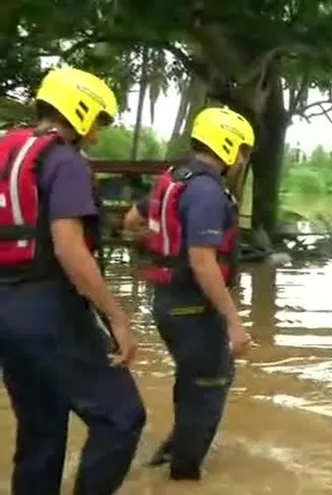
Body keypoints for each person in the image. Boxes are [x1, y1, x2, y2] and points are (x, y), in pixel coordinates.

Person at [0, 67, 145, 494]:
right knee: (122, 416)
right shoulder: (64, 161)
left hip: (6, 311)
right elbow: (69, 248)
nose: (98, 130)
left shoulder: (6, 147)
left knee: (41, 426)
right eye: (99, 119)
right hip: (47, 307)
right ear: (80, 109)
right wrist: (117, 318)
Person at [122, 106, 254, 481]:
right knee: (210, 386)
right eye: (242, 150)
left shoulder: (174, 179)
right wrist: (234, 323)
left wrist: (160, 245)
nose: (243, 160)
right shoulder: (208, 191)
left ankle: (168, 453)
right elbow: (203, 262)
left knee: (197, 378)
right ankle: (183, 477)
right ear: (227, 145)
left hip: (166, 302)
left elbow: (132, 221)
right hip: (192, 307)